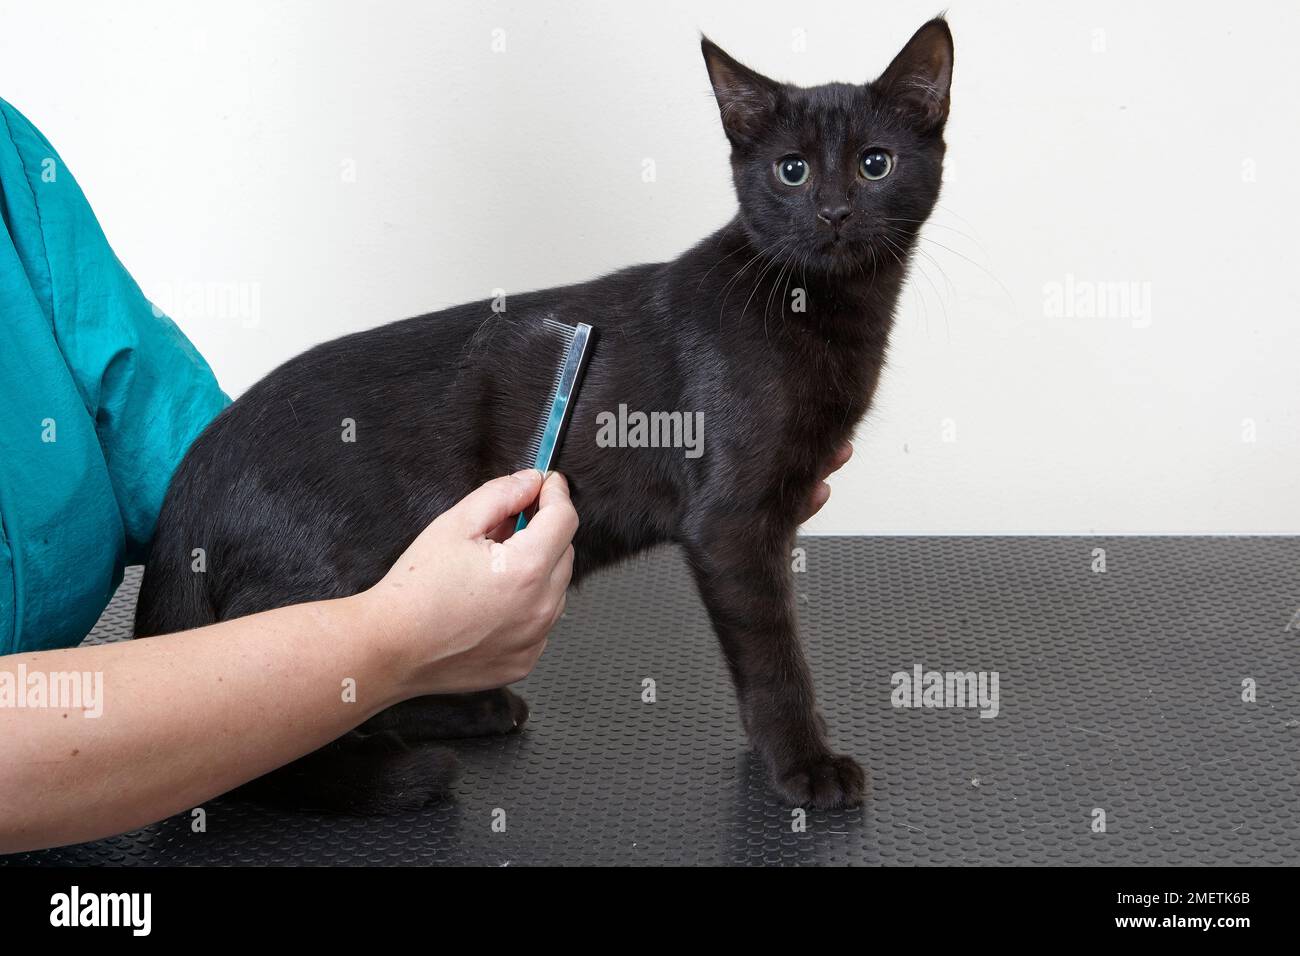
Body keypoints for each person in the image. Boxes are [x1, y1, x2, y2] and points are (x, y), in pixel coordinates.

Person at [0, 99, 849, 854]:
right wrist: (390, 645)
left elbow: (193, 458)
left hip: (196, 641)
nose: (837, 201)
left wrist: (713, 489)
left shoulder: (14, 168)